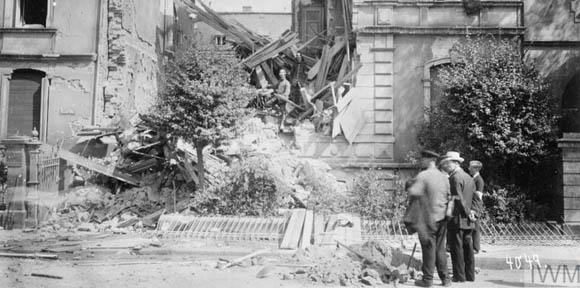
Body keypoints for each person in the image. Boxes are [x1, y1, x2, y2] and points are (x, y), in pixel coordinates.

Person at [407, 150, 451, 287]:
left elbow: (413, 192)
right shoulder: (444, 176)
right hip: (443, 217)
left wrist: (410, 184)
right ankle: (446, 280)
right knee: (440, 249)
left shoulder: (423, 175)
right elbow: (449, 196)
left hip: (428, 219)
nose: (421, 161)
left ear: (429, 160)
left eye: (423, 158)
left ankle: (427, 280)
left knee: (428, 249)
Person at [440, 151, 476, 283]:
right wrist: (473, 213)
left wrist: (466, 212)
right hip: (469, 219)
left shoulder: (454, 178)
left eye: (447, 163)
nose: (445, 166)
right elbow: (476, 199)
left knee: (457, 248)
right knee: (468, 248)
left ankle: (459, 276)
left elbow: (458, 200)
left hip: (457, 219)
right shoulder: (468, 177)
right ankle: (470, 275)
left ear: (455, 163)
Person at [468, 160, 485, 254]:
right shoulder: (473, 178)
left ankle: (476, 248)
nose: (469, 168)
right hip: (472, 205)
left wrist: (474, 209)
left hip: (475, 206)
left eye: (471, 167)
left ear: (476, 169)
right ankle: (474, 246)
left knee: (475, 227)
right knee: (473, 227)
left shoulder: (479, 180)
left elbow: (478, 196)